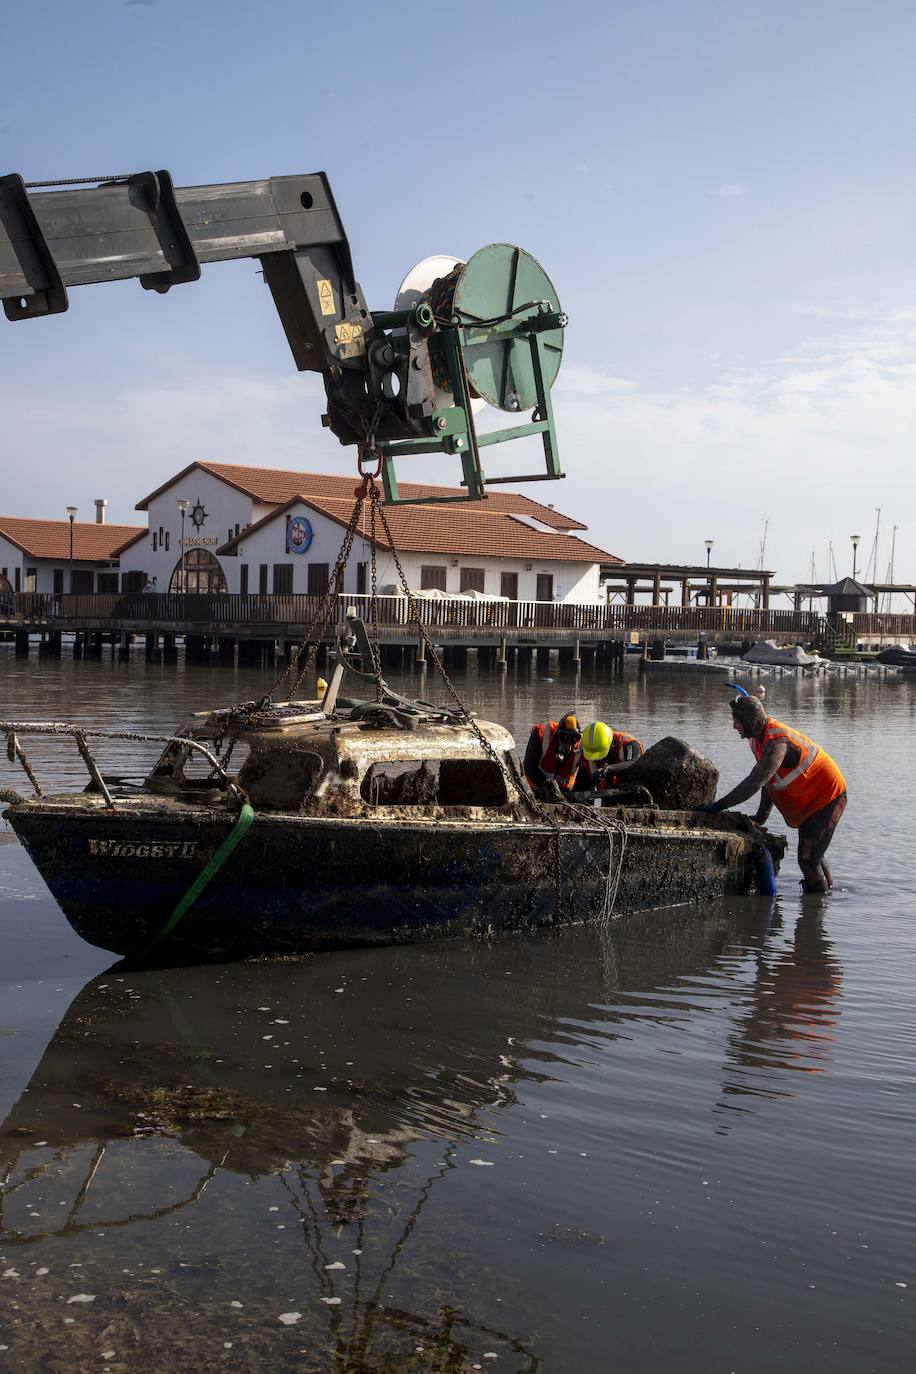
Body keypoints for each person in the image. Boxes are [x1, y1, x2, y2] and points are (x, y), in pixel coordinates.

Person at [700, 690, 847, 893]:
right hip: (812, 798)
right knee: (813, 855)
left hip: (828, 796)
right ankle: (824, 898)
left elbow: (755, 782)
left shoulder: (777, 743)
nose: (734, 727)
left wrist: (717, 806)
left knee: (808, 860)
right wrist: (761, 816)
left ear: (749, 722)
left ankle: (816, 907)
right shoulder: (759, 740)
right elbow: (770, 781)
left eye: (736, 722)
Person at [574, 720, 644, 791]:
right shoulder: (587, 748)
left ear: (611, 744)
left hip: (630, 789)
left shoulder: (628, 743)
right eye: (595, 758)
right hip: (606, 792)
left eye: (600, 756)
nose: (598, 760)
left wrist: (608, 768)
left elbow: (634, 763)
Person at [524, 713, 583, 796]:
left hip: (564, 791)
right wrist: (546, 783)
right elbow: (529, 766)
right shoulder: (542, 733)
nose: (568, 747)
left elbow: (585, 777)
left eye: (572, 741)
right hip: (536, 786)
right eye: (565, 739)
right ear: (557, 736)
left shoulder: (581, 747)